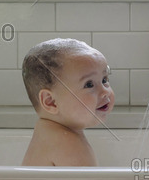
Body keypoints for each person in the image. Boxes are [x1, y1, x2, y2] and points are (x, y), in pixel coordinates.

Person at [21, 38, 114, 166]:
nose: (105, 92)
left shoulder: (46, 131)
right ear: (51, 102)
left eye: (104, 80)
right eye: (89, 84)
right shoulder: (71, 145)